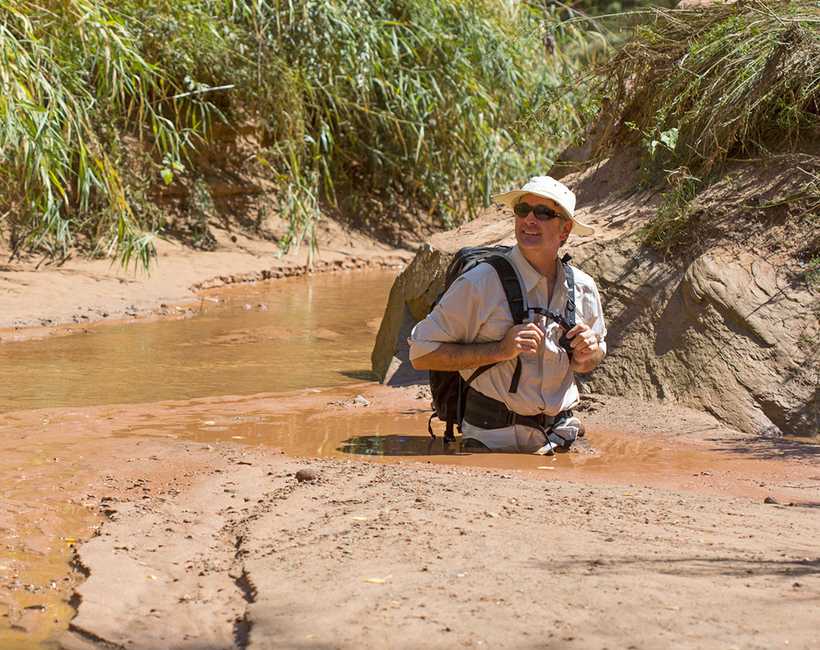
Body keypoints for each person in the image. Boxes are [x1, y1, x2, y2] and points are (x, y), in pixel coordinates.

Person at [408, 176, 607, 454]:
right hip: (492, 438)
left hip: (563, 434)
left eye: (543, 213)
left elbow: (589, 362)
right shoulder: (481, 282)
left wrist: (588, 354)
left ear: (565, 229)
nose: (529, 220)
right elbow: (421, 353)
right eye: (522, 210)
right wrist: (500, 350)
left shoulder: (583, 287)